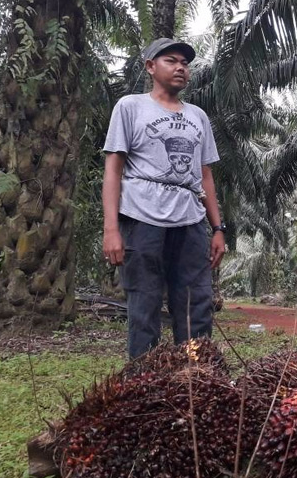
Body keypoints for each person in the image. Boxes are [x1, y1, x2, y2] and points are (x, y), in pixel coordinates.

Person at [102, 38, 227, 359]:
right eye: (171, 60)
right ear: (150, 66)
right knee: (144, 305)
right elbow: (113, 170)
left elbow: (206, 176)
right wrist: (111, 229)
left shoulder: (198, 116)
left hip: (191, 222)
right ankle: (143, 383)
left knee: (196, 304)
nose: (180, 67)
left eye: (185, 63)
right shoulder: (130, 107)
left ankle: (197, 380)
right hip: (142, 220)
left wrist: (217, 228)